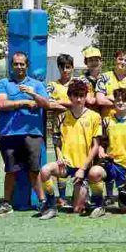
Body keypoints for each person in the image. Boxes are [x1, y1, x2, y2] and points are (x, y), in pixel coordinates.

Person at [0, 52, 50, 215]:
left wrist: (33, 94)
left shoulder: (36, 85)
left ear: (27, 66)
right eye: (16, 64)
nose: (19, 67)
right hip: (9, 134)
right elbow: (2, 104)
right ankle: (6, 204)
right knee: (10, 170)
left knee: (34, 170)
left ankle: (42, 202)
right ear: (12, 66)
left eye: (22, 64)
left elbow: (46, 104)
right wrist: (24, 102)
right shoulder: (3, 83)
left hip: (32, 134)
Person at [36, 80, 102, 220]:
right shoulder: (61, 117)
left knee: (77, 209)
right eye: (75, 95)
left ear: (86, 96)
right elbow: (56, 141)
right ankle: (51, 205)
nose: (79, 99)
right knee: (45, 171)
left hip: (84, 167)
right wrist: (59, 156)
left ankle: (95, 202)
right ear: (70, 97)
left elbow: (95, 146)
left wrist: (83, 169)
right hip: (66, 165)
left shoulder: (94, 117)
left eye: (82, 95)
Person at [87, 88, 126, 217]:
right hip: (110, 162)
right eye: (118, 100)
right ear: (114, 101)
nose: (121, 103)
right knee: (94, 173)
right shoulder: (107, 121)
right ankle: (98, 204)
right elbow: (101, 142)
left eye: (124, 100)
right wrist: (101, 150)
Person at [46, 53, 75, 208]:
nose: (65, 70)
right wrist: (70, 104)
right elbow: (48, 103)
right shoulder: (52, 85)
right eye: (62, 67)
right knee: (61, 160)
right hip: (59, 128)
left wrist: (59, 102)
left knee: (79, 159)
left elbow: (85, 101)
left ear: (72, 67)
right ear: (58, 68)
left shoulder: (79, 82)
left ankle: (79, 195)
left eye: (68, 67)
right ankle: (62, 197)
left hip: (77, 128)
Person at [95, 50, 126, 118]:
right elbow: (100, 100)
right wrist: (124, 101)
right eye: (120, 59)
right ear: (115, 60)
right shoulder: (104, 77)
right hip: (107, 120)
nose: (123, 62)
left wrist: (108, 97)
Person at [78, 46, 102, 112]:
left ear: (101, 62)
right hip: (86, 116)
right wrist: (102, 99)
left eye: (96, 60)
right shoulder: (81, 80)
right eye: (91, 60)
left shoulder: (106, 78)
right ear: (86, 62)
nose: (94, 63)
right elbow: (89, 101)